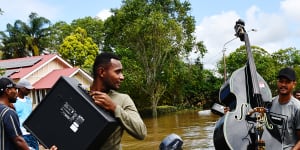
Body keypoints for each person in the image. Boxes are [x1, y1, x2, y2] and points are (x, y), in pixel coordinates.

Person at [89, 52, 147, 149]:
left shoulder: (123, 99)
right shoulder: (79, 96)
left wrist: (114, 108)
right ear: (102, 72)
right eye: (117, 72)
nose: (122, 77)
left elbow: (141, 132)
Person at [0, 77, 57, 150]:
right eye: (14, 89)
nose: (16, 92)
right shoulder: (8, 113)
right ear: (8, 91)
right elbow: (18, 141)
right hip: (23, 135)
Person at [270, 67, 300, 149]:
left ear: (294, 84)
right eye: (281, 81)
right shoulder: (270, 103)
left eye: (287, 82)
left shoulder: (297, 107)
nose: (283, 84)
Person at [13, 79, 38, 150]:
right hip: (21, 135)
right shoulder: (14, 102)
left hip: (31, 134)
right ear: (21, 89)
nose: (29, 91)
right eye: (27, 89)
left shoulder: (29, 100)